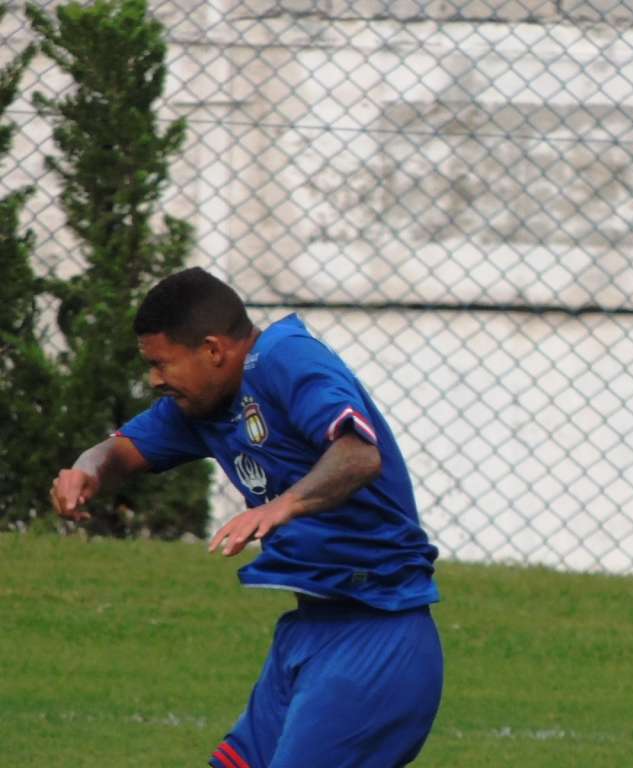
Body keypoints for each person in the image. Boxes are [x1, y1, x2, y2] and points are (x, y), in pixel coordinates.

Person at [50, 267, 443, 768]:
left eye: (161, 363)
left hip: (378, 639)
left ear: (213, 350)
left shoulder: (286, 359)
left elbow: (359, 455)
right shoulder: (207, 404)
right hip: (308, 635)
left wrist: (282, 505)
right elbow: (123, 450)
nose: (153, 379)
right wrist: (86, 471)